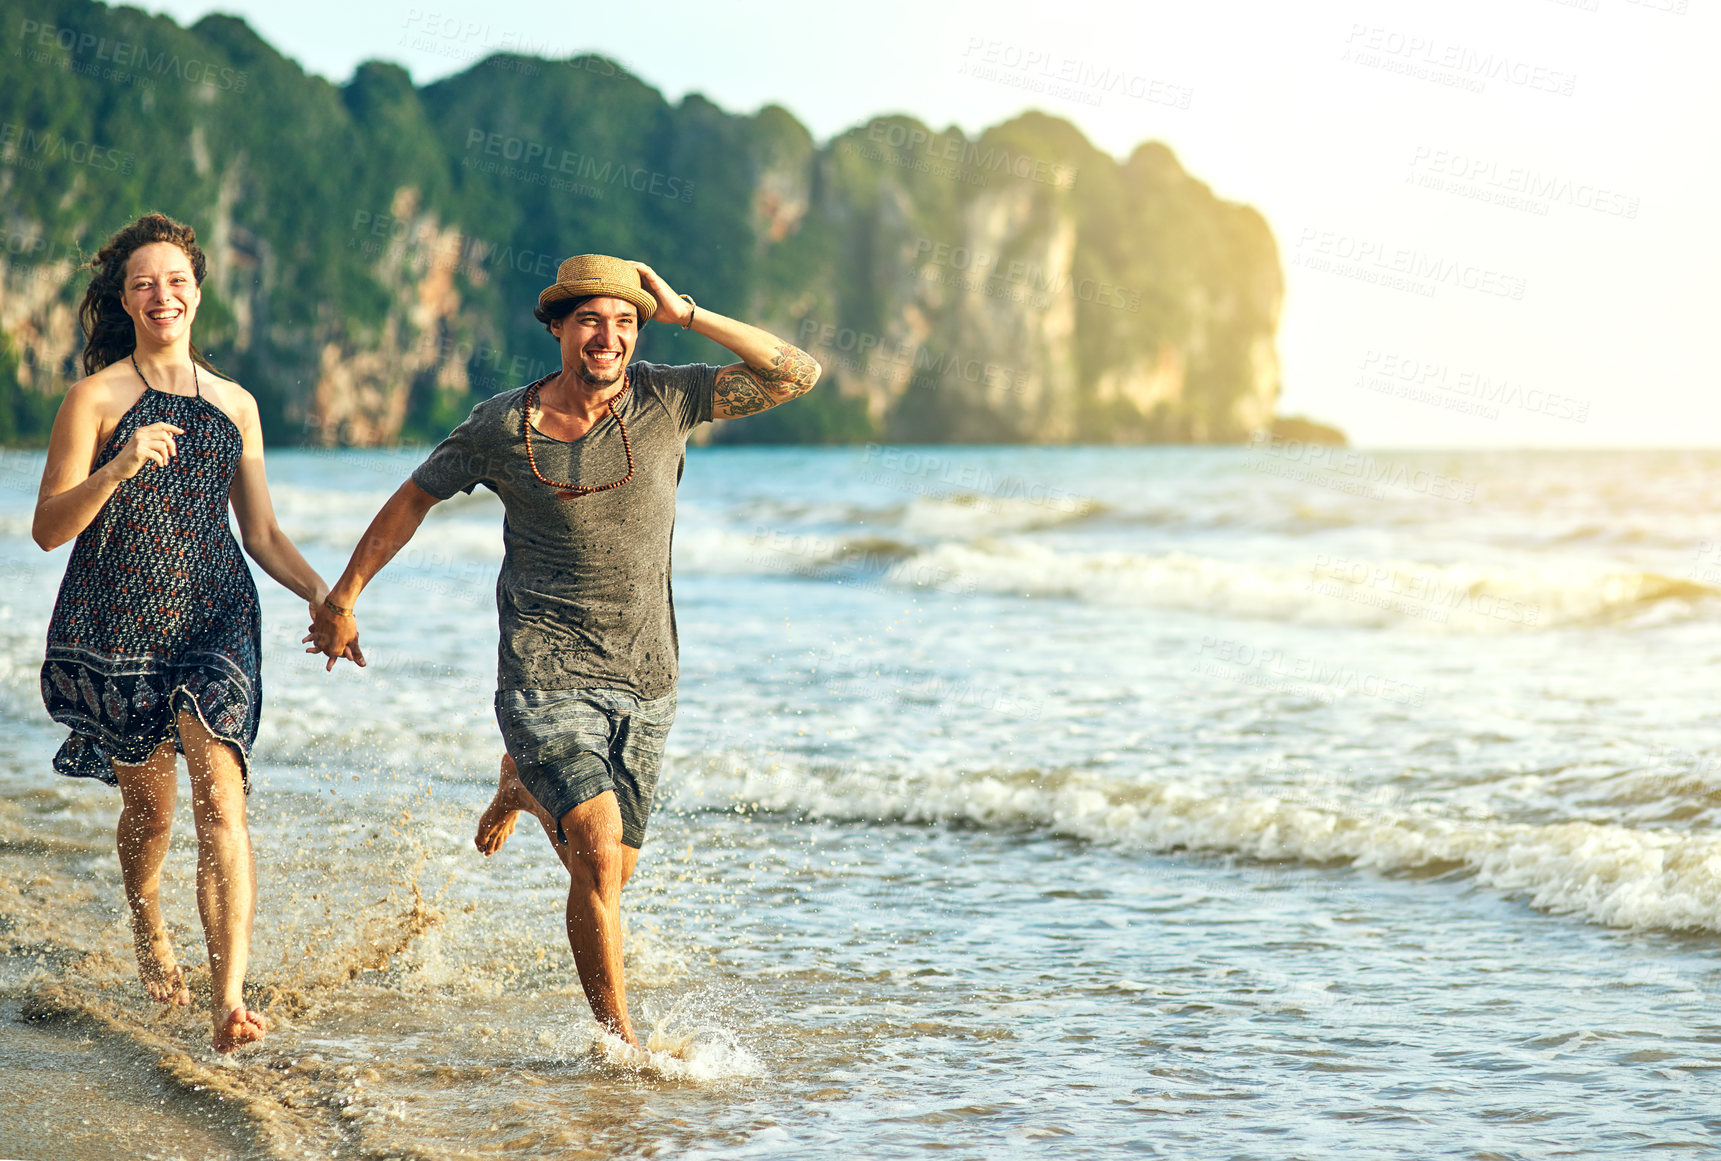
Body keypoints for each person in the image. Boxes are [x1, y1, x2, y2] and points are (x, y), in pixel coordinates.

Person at [305, 254, 819, 1046]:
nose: (607, 336)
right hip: (542, 670)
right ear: (557, 330)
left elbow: (795, 373)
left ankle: (522, 787)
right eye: (588, 320)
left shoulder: (667, 396)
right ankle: (621, 1043)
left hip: (646, 675)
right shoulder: (499, 427)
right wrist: (344, 597)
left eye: (622, 322)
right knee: (598, 851)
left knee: (611, 870)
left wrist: (687, 313)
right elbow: (415, 496)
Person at [33, 213, 347, 1053]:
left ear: (198, 292)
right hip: (116, 625)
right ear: (125, 298)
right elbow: (47, 528)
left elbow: (264, 535)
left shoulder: (236, 404)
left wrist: (327, 596)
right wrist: (118, 464)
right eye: (143, 283)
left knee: (220, 794)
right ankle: (148, 923)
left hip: (215, 618)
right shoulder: (94, 399)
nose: (161, 295)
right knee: (153, 811)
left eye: (175, 281)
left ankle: (227, 998)